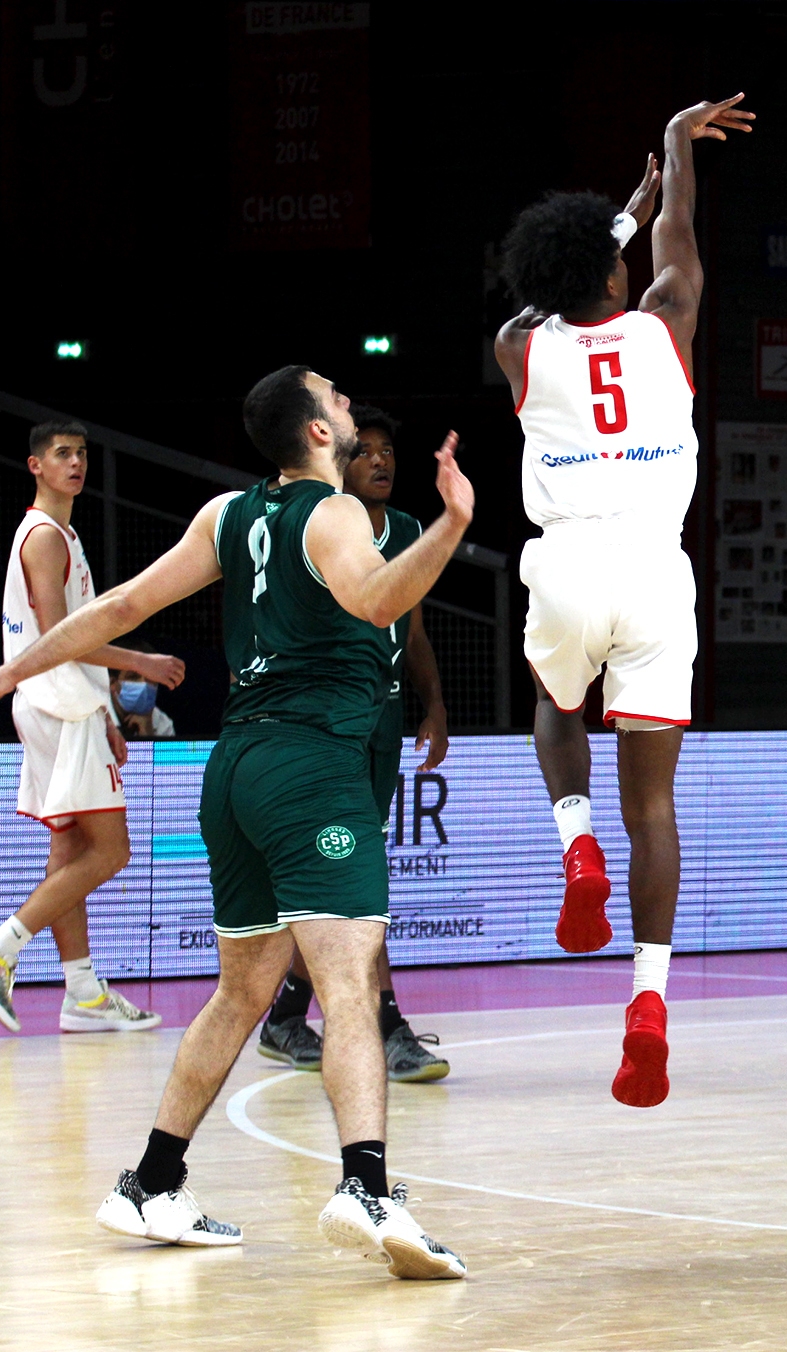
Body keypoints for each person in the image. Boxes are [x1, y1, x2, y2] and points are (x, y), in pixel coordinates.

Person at [0, 367, 475, 1278]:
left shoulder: (228, 513)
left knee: (243, 988)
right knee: (347, 980)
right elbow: (381, 601)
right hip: (312, 765)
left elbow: (119, 608)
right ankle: (369, 1188)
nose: (349, 407)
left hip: (235, 772)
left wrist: (5, 671)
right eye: (336, 399)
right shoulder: (333, 513)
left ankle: (151, 1182)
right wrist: (456, 523)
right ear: (313, 433)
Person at [494, 93, 752, 1108]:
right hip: (656, 566)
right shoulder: (668, 317)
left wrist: (608, 227)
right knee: (657, 800)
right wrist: (675, 157)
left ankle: (574, 841)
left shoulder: (523, 348)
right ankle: (648, 1004)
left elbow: (533, 299)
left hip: (567, 558)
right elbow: (678, 238)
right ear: (619, 276)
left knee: (557, 704)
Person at [0, 420, 184, 1033]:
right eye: (62, 454)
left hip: (63, 705)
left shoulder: (63, 533)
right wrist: (140, 661)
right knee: (112, 850)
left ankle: (81, 992)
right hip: (59, 705)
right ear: (35, 466)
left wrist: (109, 712)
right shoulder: (45, 537)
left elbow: (72, 638)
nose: (75, 463)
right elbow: (63, 640)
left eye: (81, 453)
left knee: (70, 855)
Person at [256, 404, 452, 1085]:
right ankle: (385, 1026)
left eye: (387, 449)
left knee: (346, 882)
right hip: (326, 723)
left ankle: (285, 1015)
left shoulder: (405, 530)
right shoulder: (317, 527)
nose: (380, 460)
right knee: (356, 883)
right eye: (364, 449)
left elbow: (415, 631)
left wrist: (434, 705)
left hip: (383, 720)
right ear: (337, 461)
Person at [108, 636, 177, 739]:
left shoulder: (161, 722)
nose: (143, 684)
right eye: (133, 677)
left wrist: (148, 736)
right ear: (112, 683)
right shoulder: (94, 717)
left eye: (151, 677)